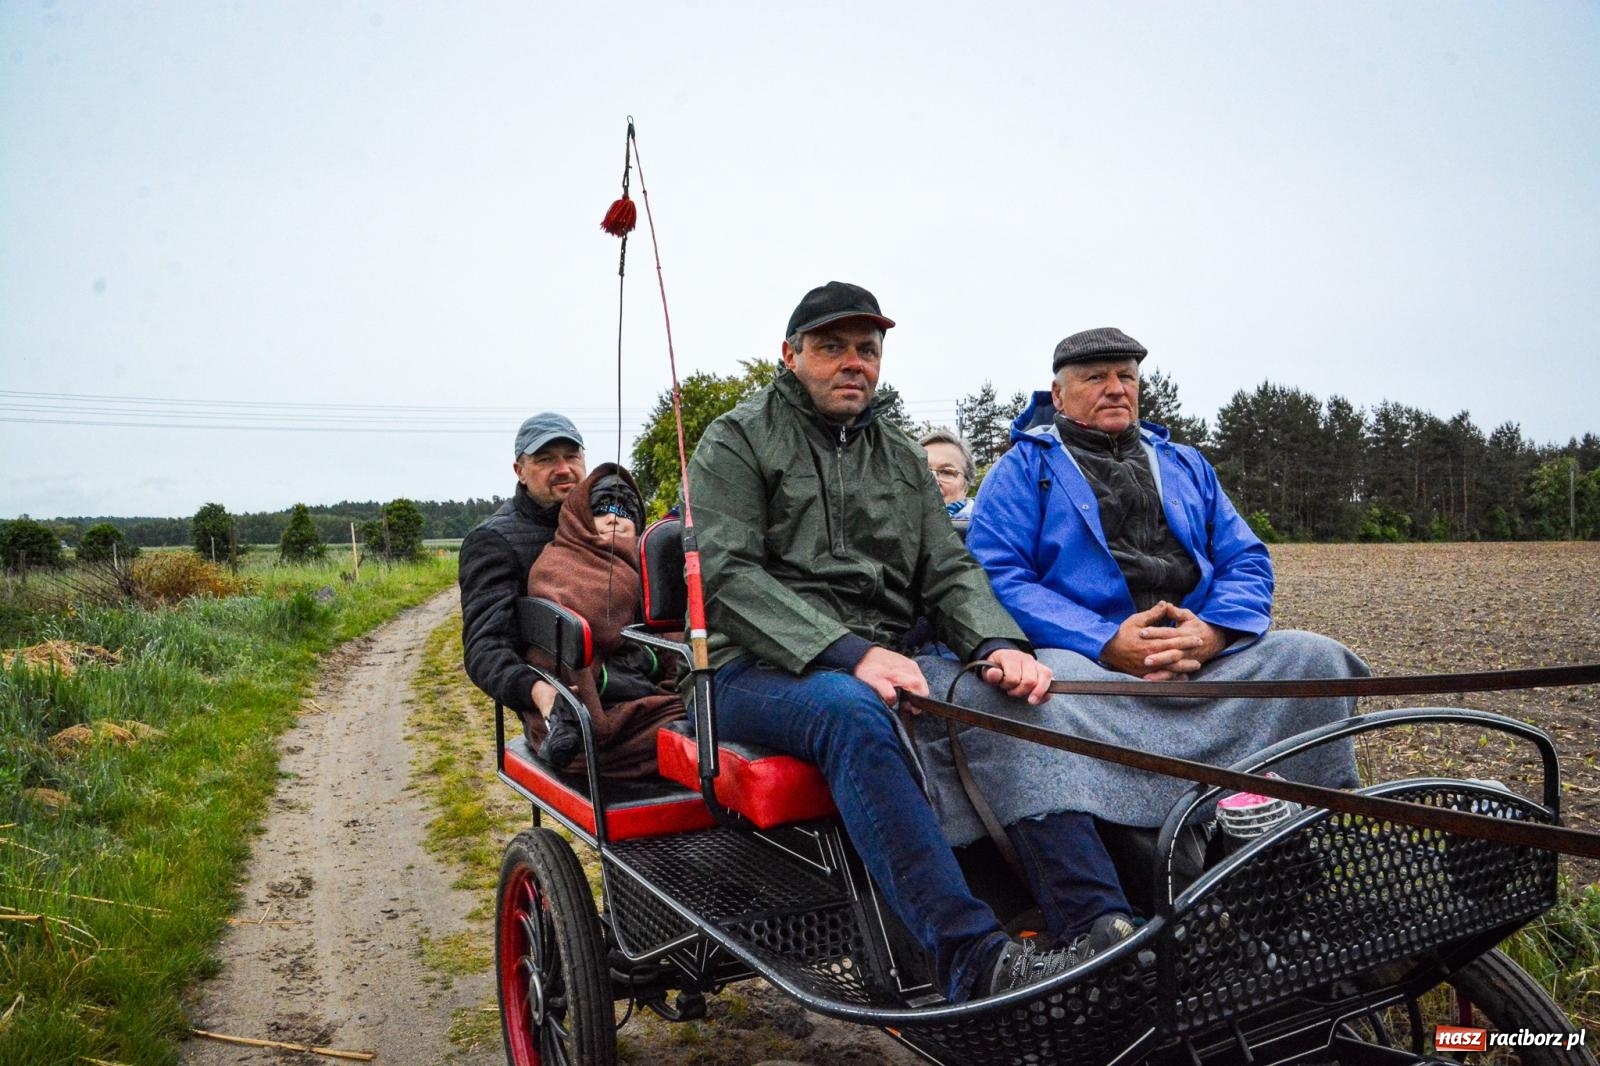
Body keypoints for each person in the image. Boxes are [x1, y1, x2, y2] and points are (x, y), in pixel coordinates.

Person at [687, 281, 1135, 1005]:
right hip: (750, 670)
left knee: (1011, 699)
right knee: (850, 711)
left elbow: (947, 567)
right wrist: (850, 653)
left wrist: (997, 642)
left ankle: (1101, 928)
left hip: (885, 655)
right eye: (831, 348)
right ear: (790, 354)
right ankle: (973, 960)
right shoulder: (735, 440)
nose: (852, 364)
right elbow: (729, 578)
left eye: (867, 350)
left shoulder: (898, 454)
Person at [963, 327, 1367, 876]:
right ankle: (1131, 865)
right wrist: (1106, 640)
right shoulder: (1019, 471)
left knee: (1316, 660)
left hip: (1198, 653)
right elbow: (999, 574)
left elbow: (1245, 558)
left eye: (1126, 377)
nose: (1115, 389)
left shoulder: (1185, 463)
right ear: (1058, 396)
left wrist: (1214, 631)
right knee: (1040, 693)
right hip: (1088, 664)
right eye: (1095, 378)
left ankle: (1282, 849)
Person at [526, 464, 684, 778]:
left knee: (711, 708)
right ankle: (570, 723)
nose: (614, 518)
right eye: (601, 511)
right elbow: (567, 624)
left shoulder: (651, 560)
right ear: (579, 518)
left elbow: (673, 631)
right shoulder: (560, 561)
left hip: (650, 685)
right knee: (700, 726)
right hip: (593, 693)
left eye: (624, 511)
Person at [459, 413, 587, 741]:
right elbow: (485, 647)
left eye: (571, 456)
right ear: (520, 471)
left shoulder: (610, 523)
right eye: (546, 460)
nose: (563, 469)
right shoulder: (492, 541)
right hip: (565, 699)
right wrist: (537, 691)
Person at [919, 428, 977, 521]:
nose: (932, 481)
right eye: (923, 470)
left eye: (946, 472)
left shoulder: (989, 530)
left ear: (966, 486)